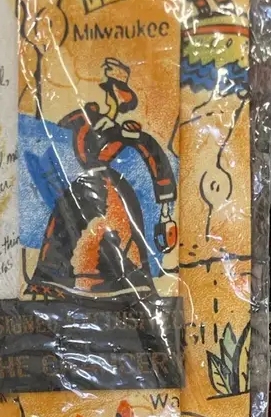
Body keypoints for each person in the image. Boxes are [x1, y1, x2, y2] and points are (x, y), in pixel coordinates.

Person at [26, 59, 177, 301]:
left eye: (117, 93)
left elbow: (153, 155)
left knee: (114, 236)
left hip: (113, 193)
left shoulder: (127, 130)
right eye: (110, 90)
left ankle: (114, 287)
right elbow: (55, 132)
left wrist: (166, 208)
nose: (113, 98)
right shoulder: (86, 118)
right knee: (69, 233)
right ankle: (66, 284)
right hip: (81, 191)